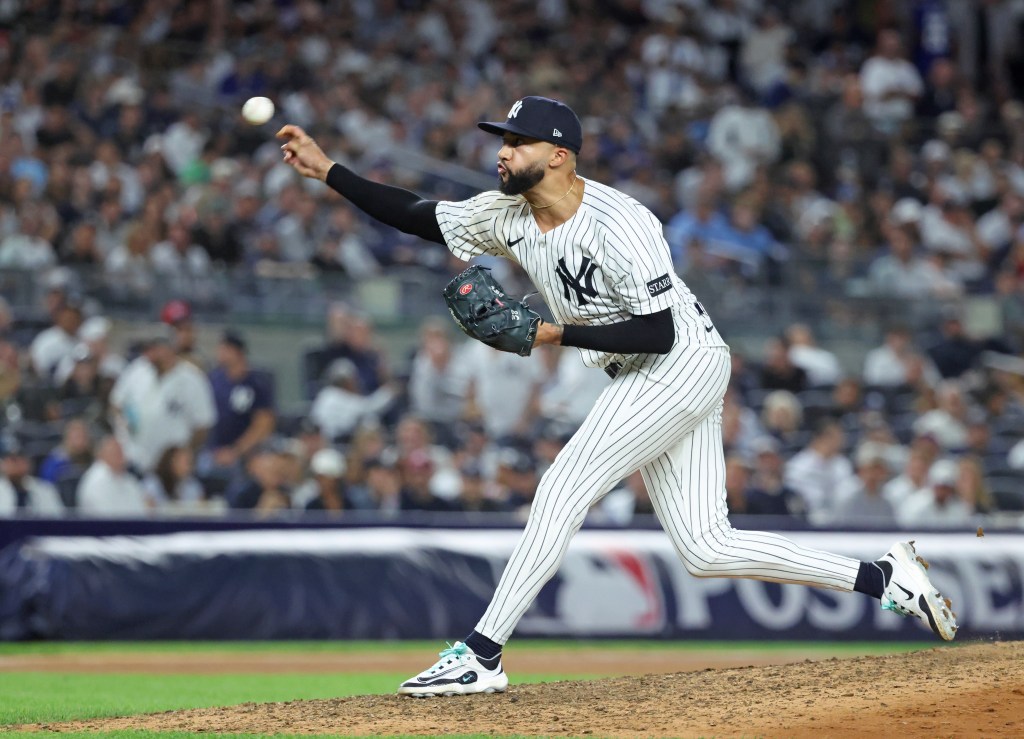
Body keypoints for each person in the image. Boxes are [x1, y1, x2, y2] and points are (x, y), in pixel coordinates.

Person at [277, 95, 958, 698]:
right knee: (705, 546)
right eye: (500, 139)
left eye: (515, 141)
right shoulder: (508, 213)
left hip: (679, 359)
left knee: (562, 485)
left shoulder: (620, 222)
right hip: (640, 369)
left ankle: (480, 654)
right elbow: (422, 215)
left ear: (559, 156)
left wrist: (549, 332)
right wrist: (330, 171)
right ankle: (886, 577)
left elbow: (660, 331)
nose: (502, 150)